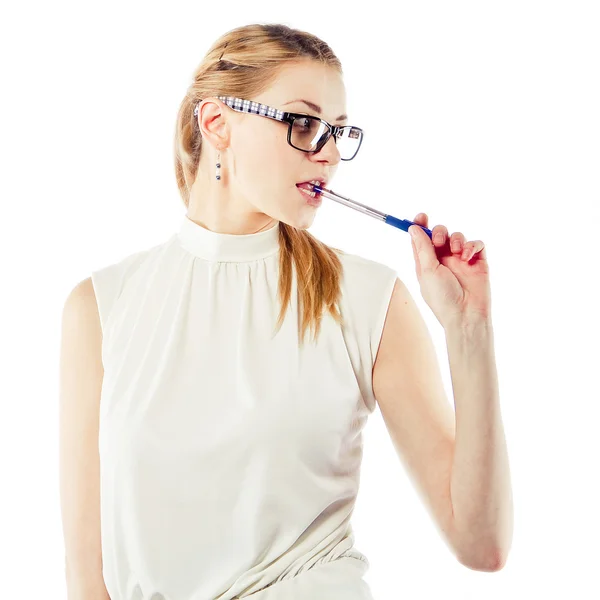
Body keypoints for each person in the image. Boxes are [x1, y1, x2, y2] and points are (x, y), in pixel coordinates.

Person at [60, 23, 406, 600]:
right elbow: (85, 571)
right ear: (217, 124)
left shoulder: (368, 296)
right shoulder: (100, 306)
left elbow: (482, 543)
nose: (328, 153)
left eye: (338, 132)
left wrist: (471, 328)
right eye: (303, 123)